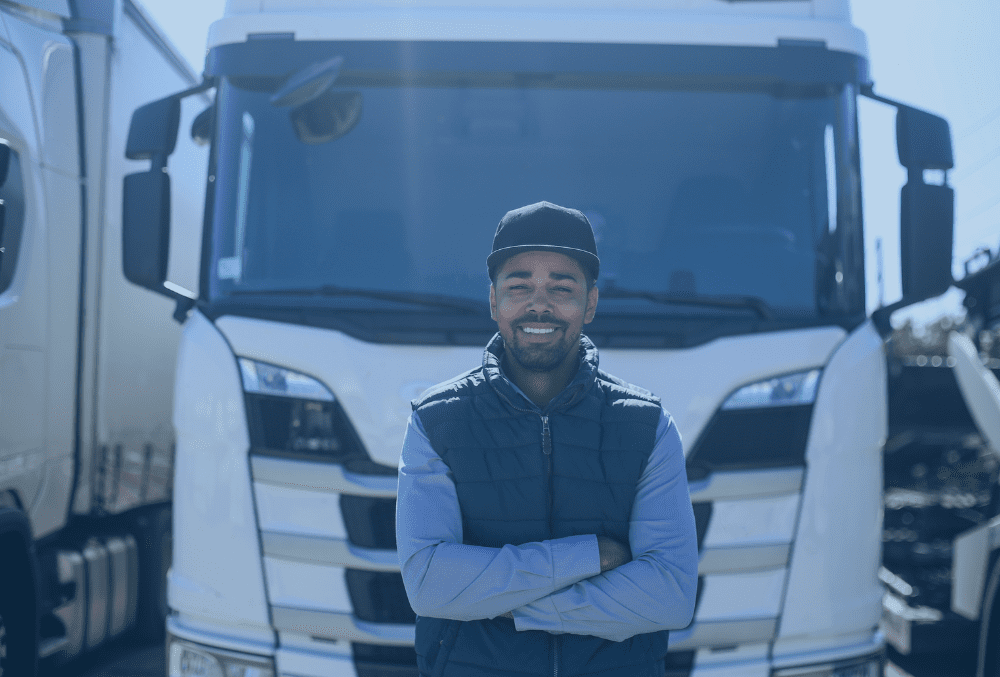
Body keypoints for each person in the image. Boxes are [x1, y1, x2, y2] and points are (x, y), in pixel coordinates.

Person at [396, 201, 698, 677]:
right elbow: (429, 585)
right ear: (494, 301)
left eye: (561, 287)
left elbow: (671, 596)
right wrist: (587, 556)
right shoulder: (437, 422)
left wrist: (512, 606)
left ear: (591, 304)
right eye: (520, 287)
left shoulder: (647, 426)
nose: (540, 305)